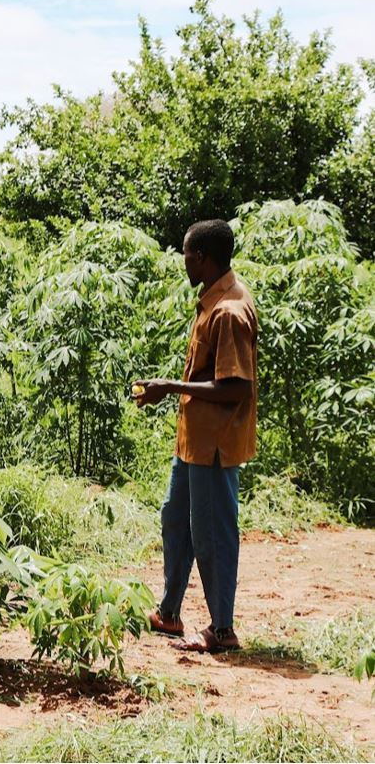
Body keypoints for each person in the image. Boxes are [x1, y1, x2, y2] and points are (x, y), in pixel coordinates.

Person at [134, 219, 257, 654]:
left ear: (201, 257)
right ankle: (169, 613)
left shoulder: (230, 310)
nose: (183, 260)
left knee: (213, 534)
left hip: (215, 446)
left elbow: (235, 387)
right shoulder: (212, 299)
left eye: (186, 253)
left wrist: (171, 387)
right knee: (176, 521)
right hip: (194, 441)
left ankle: (222, 629)